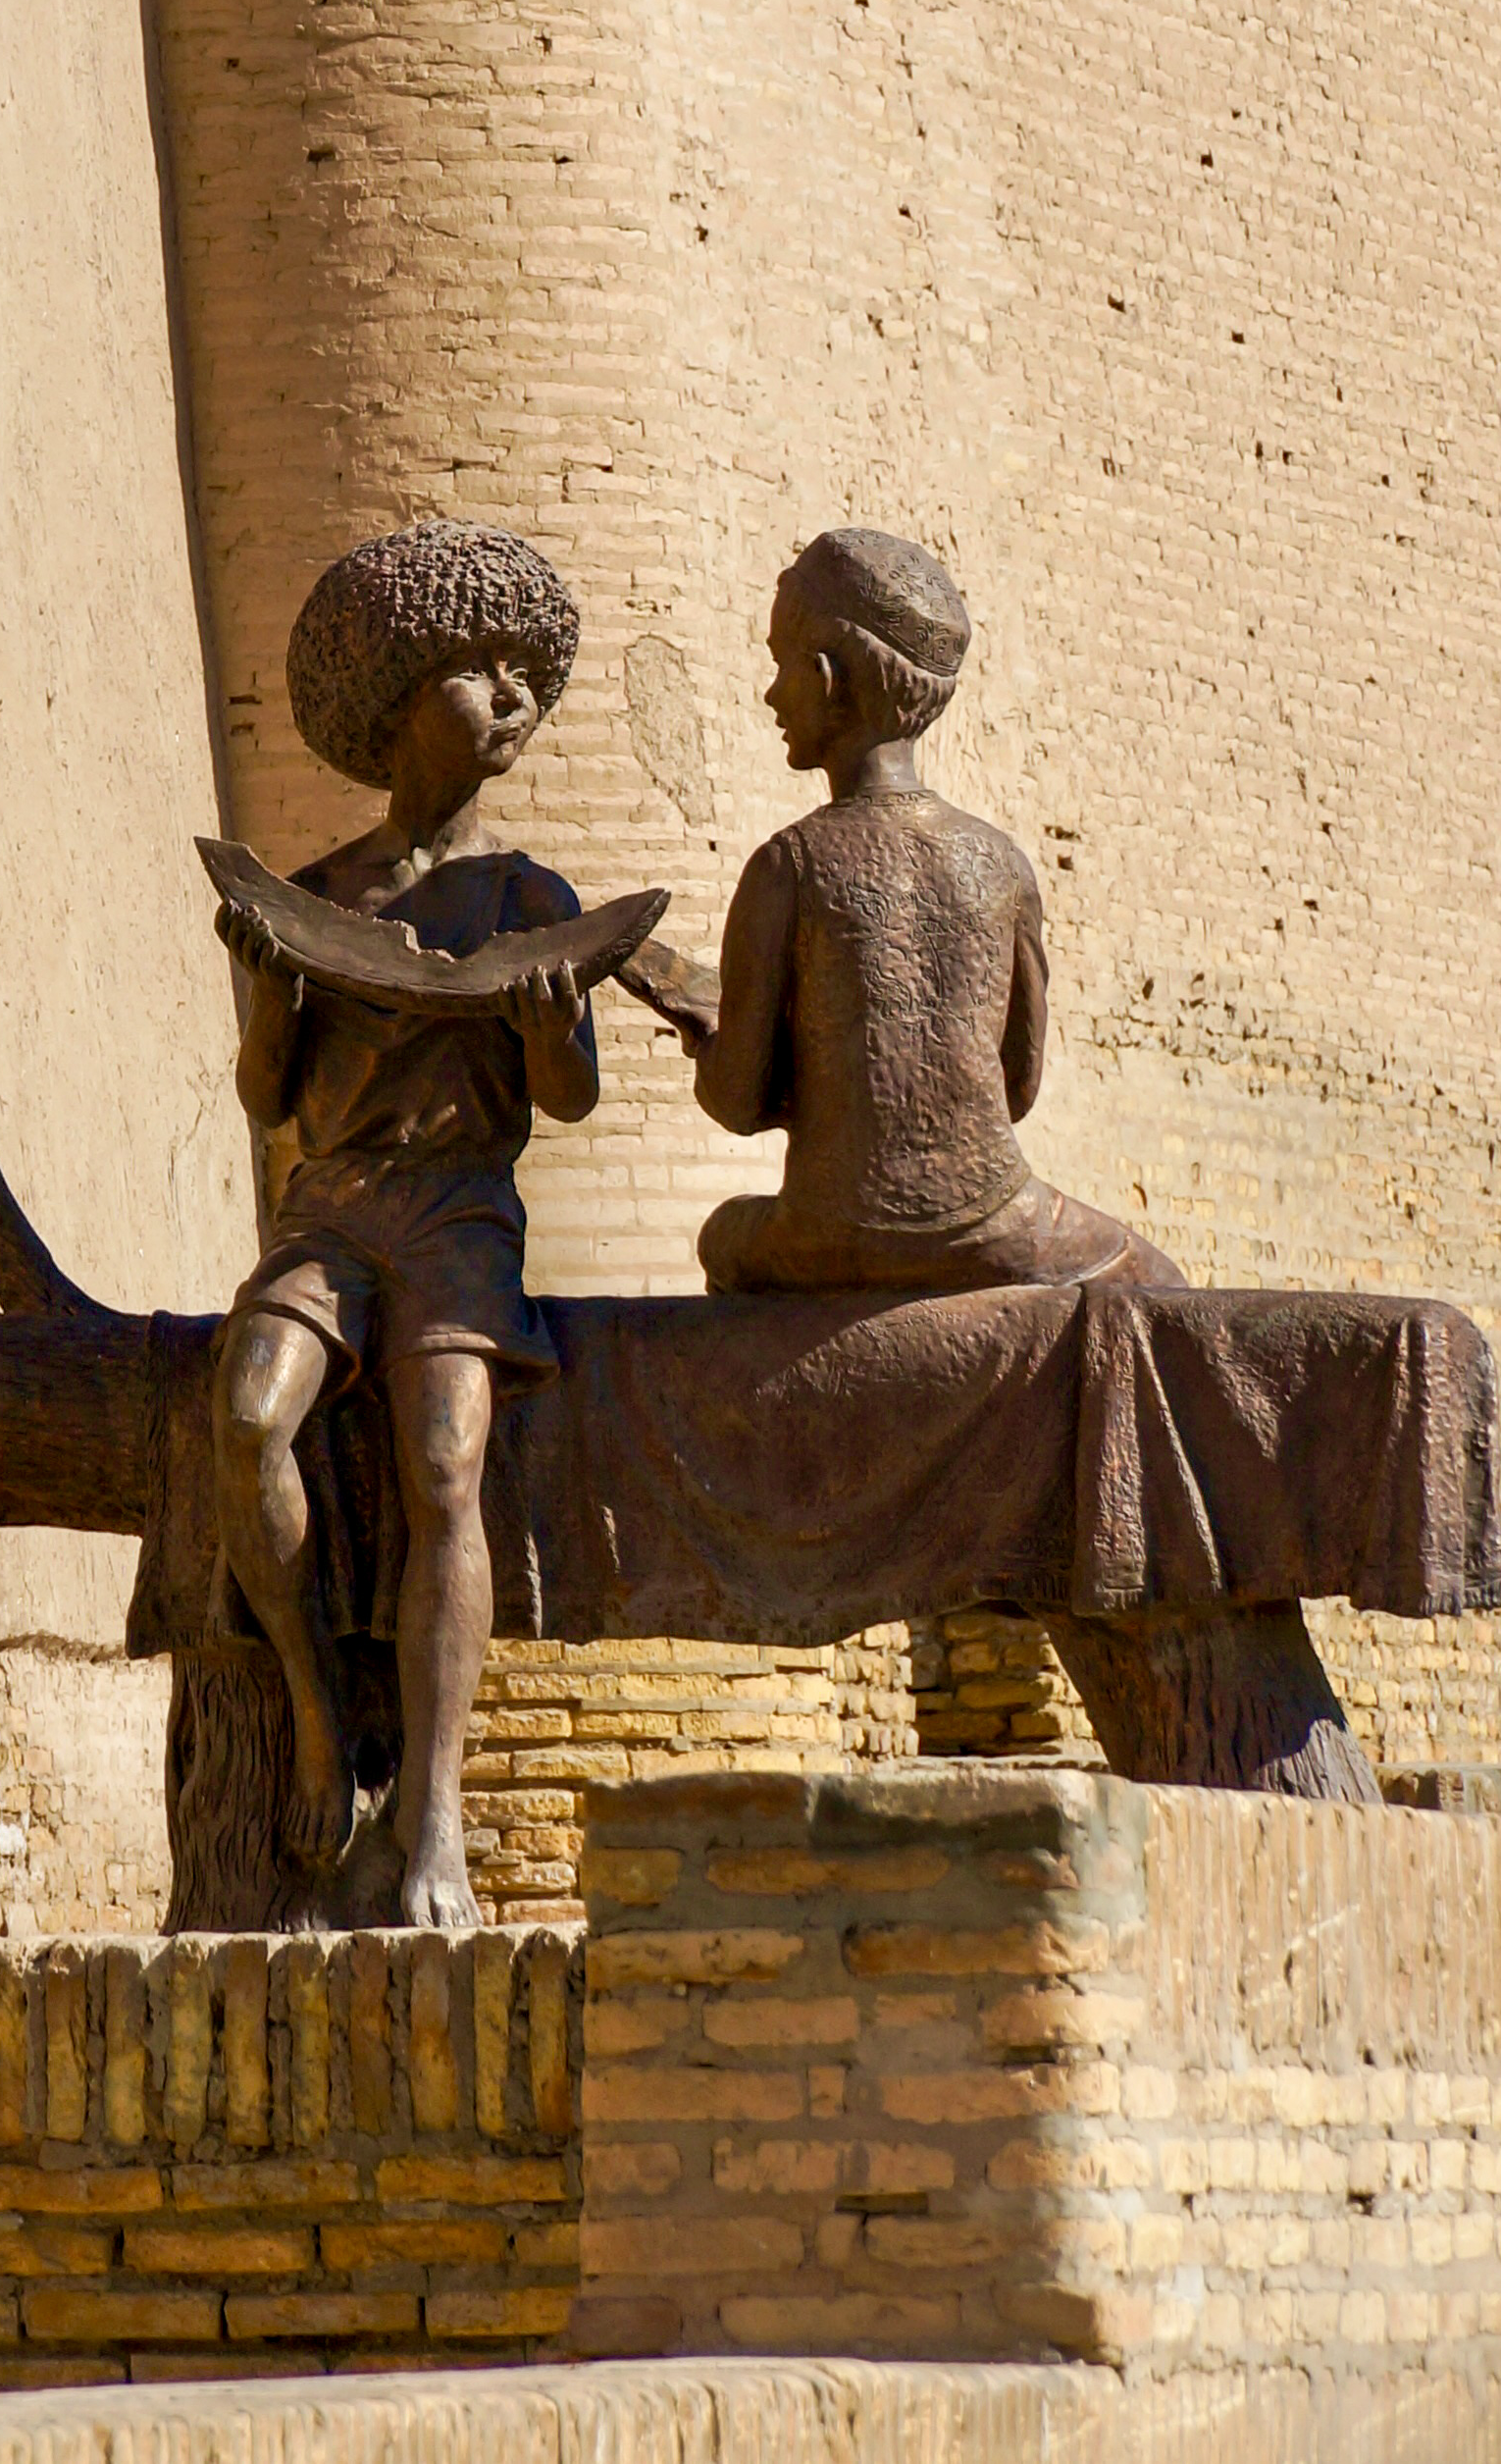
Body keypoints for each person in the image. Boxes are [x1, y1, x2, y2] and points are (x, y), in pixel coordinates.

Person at [212, 521, 598, 1927]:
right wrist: (270, 993)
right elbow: (269, 1096)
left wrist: (546, 1026)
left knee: (445, 1464)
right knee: (247, 1416)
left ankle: (435, 1819)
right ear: (397, 693)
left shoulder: (528, 899)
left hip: (457, 1216)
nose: (512, 696)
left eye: (524, 674)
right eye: (476, 669)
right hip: (330, 1212)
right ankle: (318, 1715)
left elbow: (569, 1096)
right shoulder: (318, 896)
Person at [684, 527, 1184, 1299]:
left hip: (827, 1233)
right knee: (1159, 1281)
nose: (772, 695)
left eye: (781, 667)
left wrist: (706, 1038)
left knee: (723, 1236)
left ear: (827, 678)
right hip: (998, 1225)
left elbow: (739, 1101)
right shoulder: (1001, 864)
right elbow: (1016, 1086)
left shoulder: (788, 865)